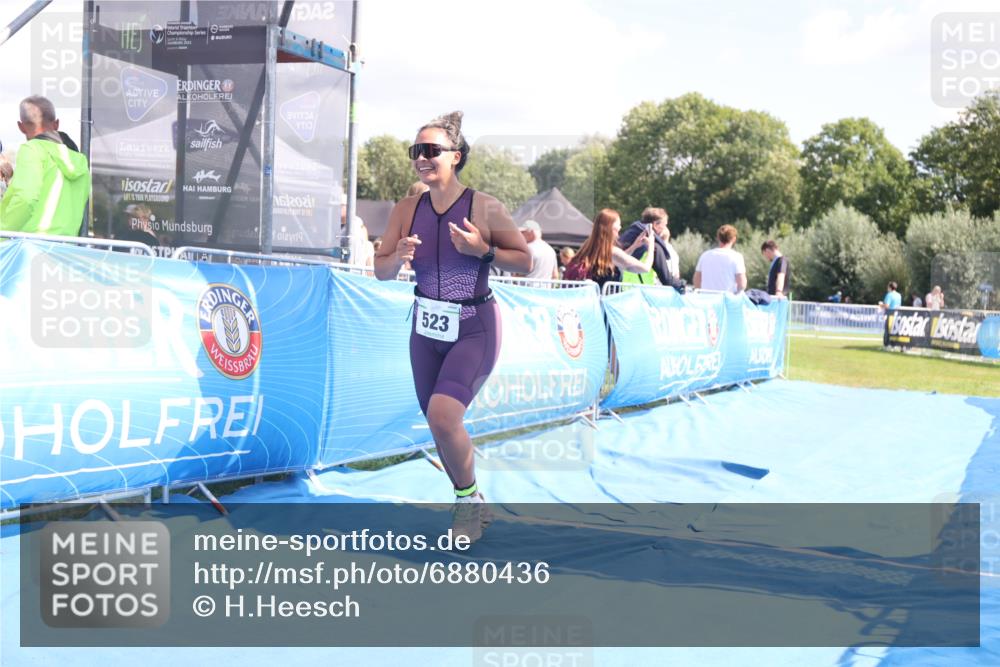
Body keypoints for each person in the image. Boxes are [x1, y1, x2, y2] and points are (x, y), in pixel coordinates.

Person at [374, 111, 531, 542]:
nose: (421, 159)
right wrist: (397, 256)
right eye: (415, 151)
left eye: (431, 151)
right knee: (436, 421)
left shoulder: (484, 206)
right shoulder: (407, 210)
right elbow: (381, 271)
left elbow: (525, 260)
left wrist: (483, 250)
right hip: (425, 329)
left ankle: (464, 505)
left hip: (473, 326)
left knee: (445, 416)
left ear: (456, 156)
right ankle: (474, 497)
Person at [0, 96, 90, 236]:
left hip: (31, 248)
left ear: (21, 126)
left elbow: (26, 198)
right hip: (65, 250)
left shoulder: (32, 149)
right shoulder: (81, 161)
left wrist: (2, 234)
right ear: (57, 124)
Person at [563, 208, 654, 287]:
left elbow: (618, 259)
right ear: (611, 227)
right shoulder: (612, 251)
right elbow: (645, 268)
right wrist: (651, 246)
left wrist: (634, 246)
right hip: (607, 302)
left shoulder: (589, 246)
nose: (620, 227)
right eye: (618, 224)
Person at [617, 207, 684, 289]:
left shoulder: (629, 241)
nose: (665, 228)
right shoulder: (654, 247)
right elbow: (667, 279)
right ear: (655, 224)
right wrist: (681, 286)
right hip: (643, 291)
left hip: (626, 290)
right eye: (664, 225)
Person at [693, 224, 747, 294]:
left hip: (706, 300)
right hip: (726, 300)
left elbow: (696, 279)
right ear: (734, 239)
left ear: (718, 238)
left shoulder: (705, 255)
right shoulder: (737, 257)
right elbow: (742, 284)